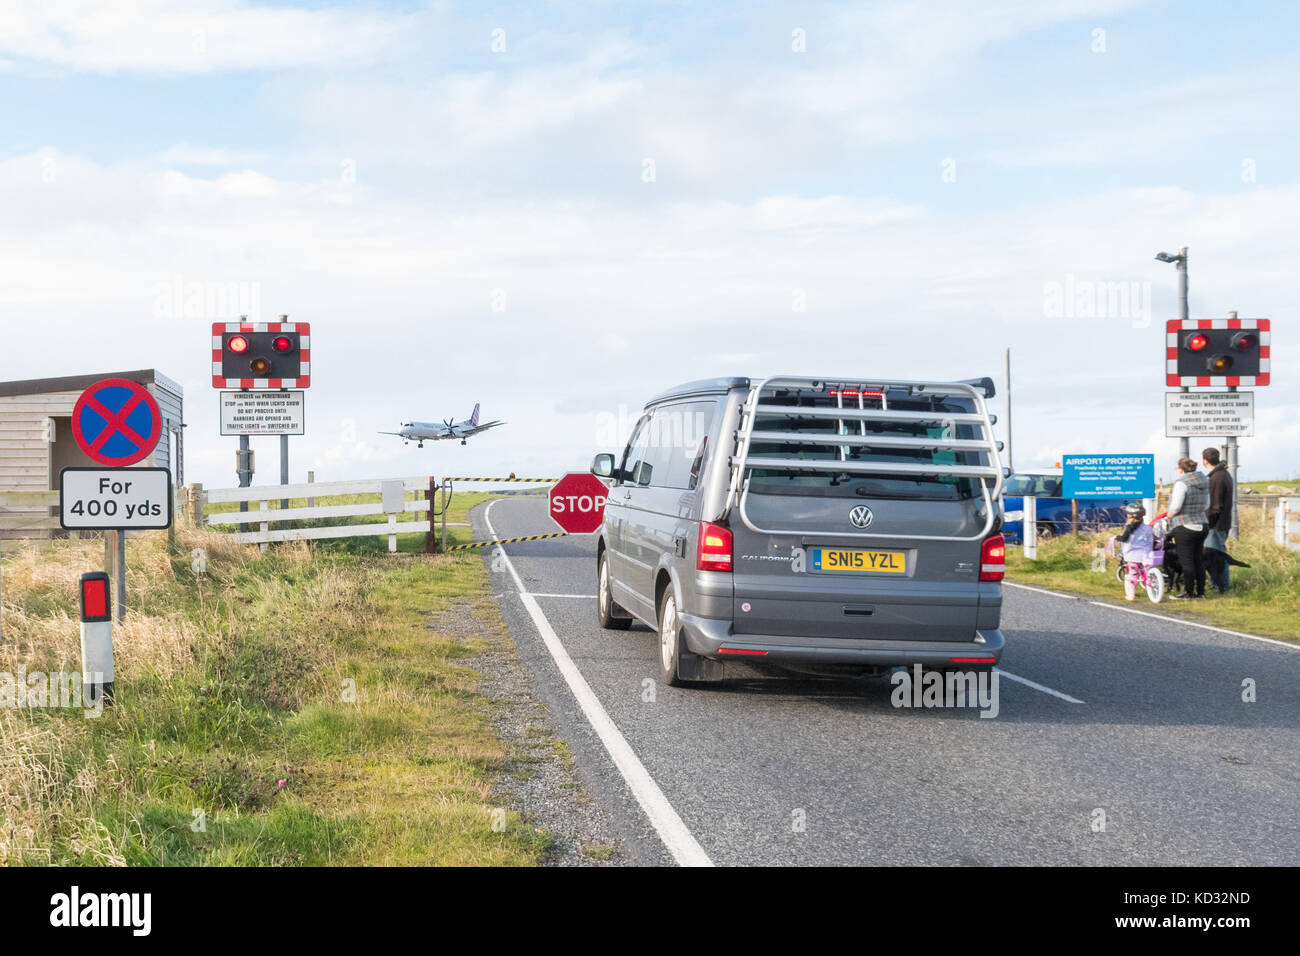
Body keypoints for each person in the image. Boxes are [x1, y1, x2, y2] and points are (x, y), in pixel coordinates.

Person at [1165, 458, 1208, 599]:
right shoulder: (1204, 481)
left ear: (1181, 469)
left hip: (1185, 526)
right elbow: (1208, 504)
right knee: (1198, 560)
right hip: (1202, 524)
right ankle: (1201, 592)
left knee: (1187, 562)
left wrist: (1169, 516)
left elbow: (1176, 506)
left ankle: (1189, 593)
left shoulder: (1182, 483)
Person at [1202, 447, 1233, 592]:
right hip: (1222, 522)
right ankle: (1218, 584)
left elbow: (1215, 506)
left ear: (1205, 461)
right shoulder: (1224, 473)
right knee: (1217, 555)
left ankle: (1222, 586)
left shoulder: (1216, 477)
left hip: (1216, 524)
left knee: (1217, 557)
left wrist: (1206, 522)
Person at [1113, 503, 1155, 601]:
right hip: (1146, 555)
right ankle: (1150, 583)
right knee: (1146, 571)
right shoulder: (1148, 528)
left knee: (1132, 575)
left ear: (1130, 515)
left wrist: (1117, 537)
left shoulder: (1129, 527)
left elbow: (1124, 538)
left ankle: (1131, 594)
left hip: (1132, 556)